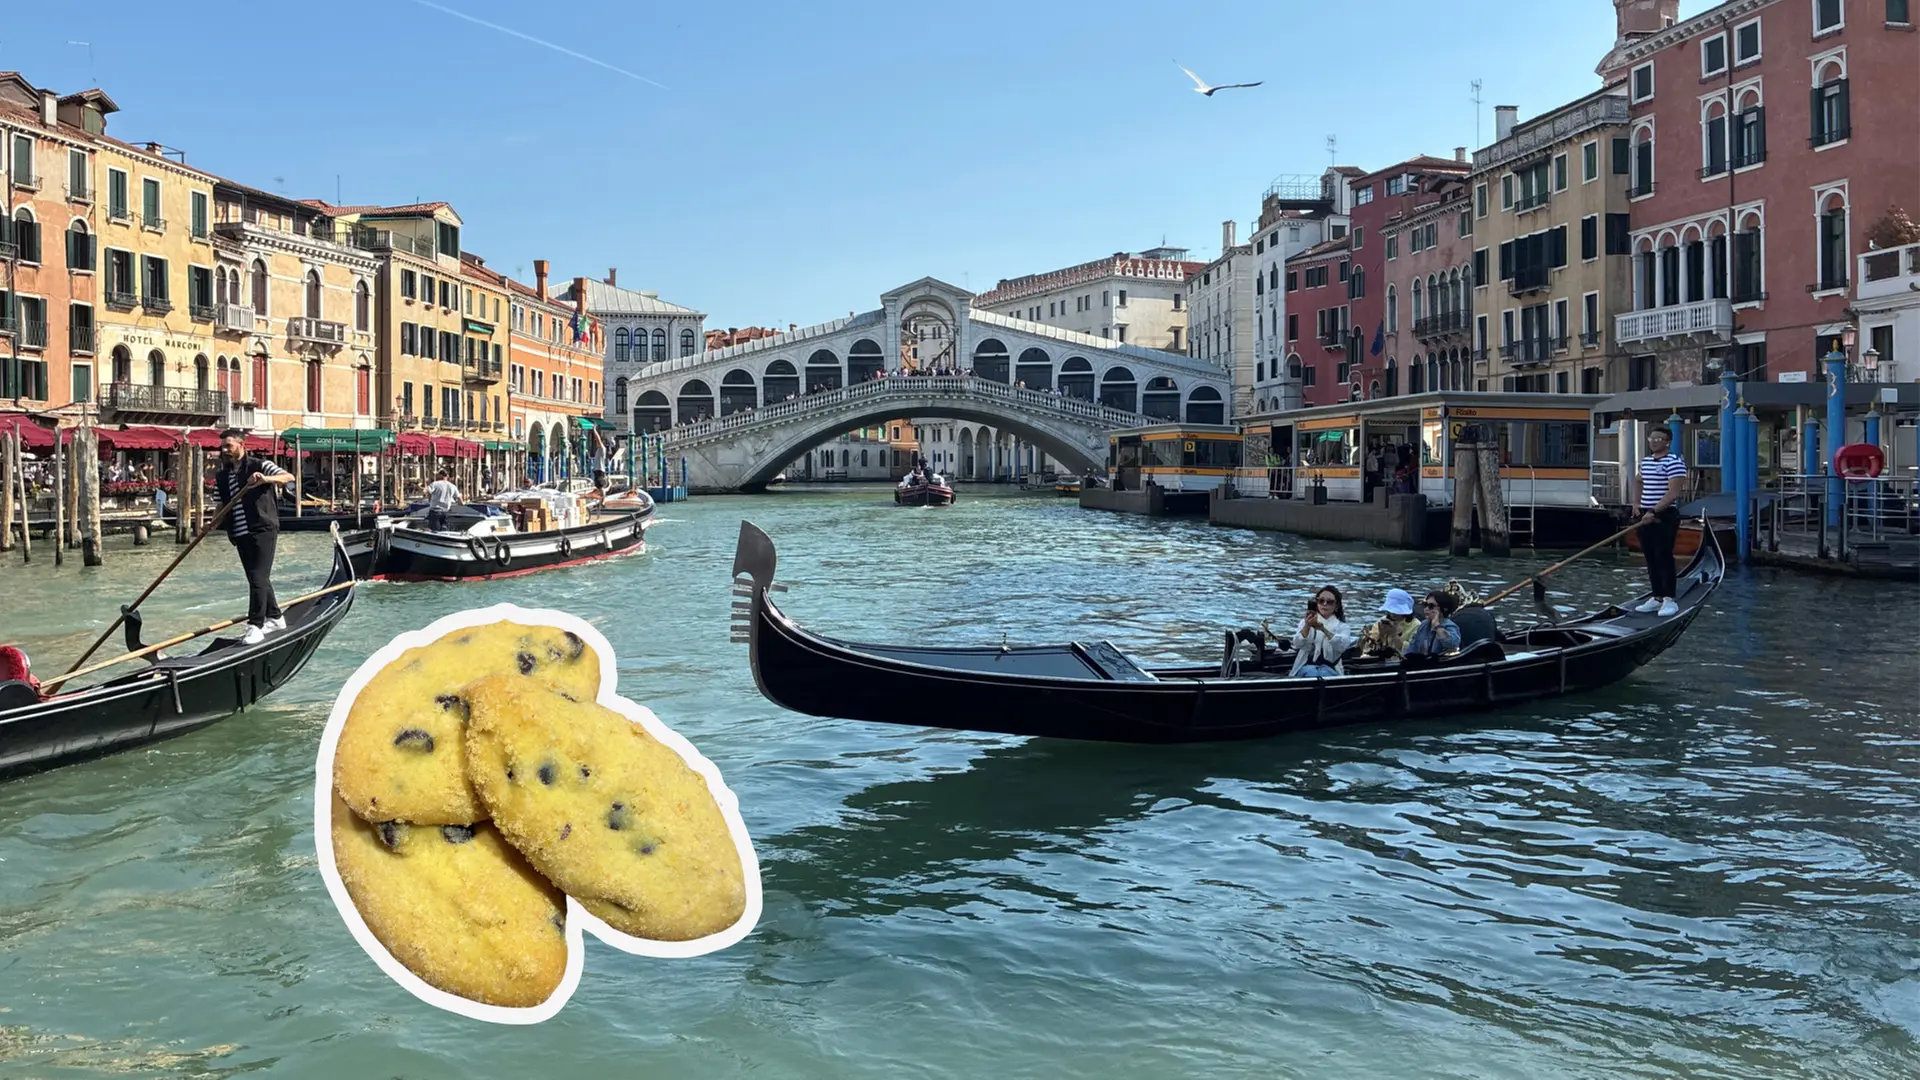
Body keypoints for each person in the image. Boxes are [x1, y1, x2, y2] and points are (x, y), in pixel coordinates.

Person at [213, 429, 294, 645]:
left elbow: (288, 477)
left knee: (258, 578)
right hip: (239, 532)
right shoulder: (222, 476)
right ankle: (275, 617)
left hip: (262, 529)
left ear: (241, 445)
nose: (224, 450)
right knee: (257, 578)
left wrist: (265, 479)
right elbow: (220, 505)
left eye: (229, 446)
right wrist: (210, 524)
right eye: (223, 446)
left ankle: (255, 625)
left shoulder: (259, 465)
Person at [1628, 427, 1690, 618]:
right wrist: (1636, 503)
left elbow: (1673, 493)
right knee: (1650, 556)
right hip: (1645, 514)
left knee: (1663, 555)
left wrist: (1654, 511)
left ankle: (1669, 599)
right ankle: (1656, 596)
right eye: (1652, 438)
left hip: (1664, 515)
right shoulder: (1646, 462)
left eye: (1658, 439)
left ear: (1667, 442)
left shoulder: (1674, 462)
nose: (1654, 442)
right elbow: (1638, 480)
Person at [1289, 586, 1352, 678]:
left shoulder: (1342, 627)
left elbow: (1342, 646)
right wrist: (1307, 625)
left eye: (1329, 602)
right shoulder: (1305, 621)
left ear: (1336, 606)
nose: (1324, 604)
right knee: (1312, 672)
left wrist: (1324, 630)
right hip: (1304, 667)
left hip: (1331, 668)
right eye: (1321, 601)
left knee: (1323, 672)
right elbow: (1297, 644)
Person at [1363, 588, 1421, 658]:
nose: (1393, 613)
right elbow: (1370, 647)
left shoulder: (1416, 625)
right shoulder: (1382, 621)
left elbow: (1411, 650)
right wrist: (1380, 635)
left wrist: (1394, 635)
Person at [1406, 591, 1463, 657]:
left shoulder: (1450, 626)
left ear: (1444, 609)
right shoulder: (1424, 624)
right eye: (1425, 605)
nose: (1426, 609)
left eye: (1431, 606)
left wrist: (1437, 626)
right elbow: (1413, 647)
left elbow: (1453, 645)